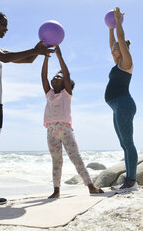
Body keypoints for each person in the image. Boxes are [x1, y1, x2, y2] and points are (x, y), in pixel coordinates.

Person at [0, 10, 54, 208]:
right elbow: (5, 58)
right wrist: (35, 50)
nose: (6, 28)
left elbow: (24, 59)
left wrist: (37, 50)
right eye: (2, 24)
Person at [41, 45, 104, 198]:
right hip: (51, 131)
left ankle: (90, 186)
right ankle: (56, 191)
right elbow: (43, 77)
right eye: (55, 75)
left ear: (65, 83)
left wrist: (59, 56)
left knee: (76, 158)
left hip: (65, 130)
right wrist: (46, 58)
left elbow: (67, 74)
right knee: (56, 161)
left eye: (59, 76)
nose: (56, 77)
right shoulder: (49, 94)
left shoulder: (66, 93)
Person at [105, 7, 138, 192]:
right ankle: (129, 180)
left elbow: (120, 39)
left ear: (123, 49)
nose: (112, 49)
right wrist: (109, 27)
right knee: (123, 144)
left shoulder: (127, 62)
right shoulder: (117, 64)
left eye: (116, 47)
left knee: (128, 143)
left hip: (124, 104)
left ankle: (131, 182)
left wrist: (117, 22)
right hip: (117, 106)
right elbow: (113, 41)